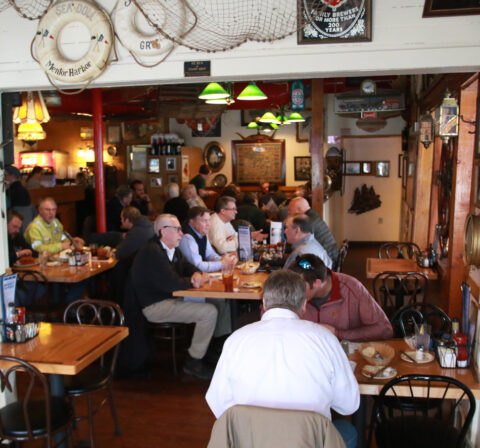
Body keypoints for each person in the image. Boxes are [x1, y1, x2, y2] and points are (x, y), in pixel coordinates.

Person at [206, 269, 359, 448]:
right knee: (347, 431)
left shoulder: (236, 340)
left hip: (251, 443)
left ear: (264, 303)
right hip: (308, 443)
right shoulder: (326, 339)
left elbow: (218, 404)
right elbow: (349, 405)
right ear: (303, 305)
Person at [129, 213, 217, 379]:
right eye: (177, 229)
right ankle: (193, 361)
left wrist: (196, 274)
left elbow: (187, 266)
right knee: (209, 312)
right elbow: (172, 283)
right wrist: (193, 282)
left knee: (214, 302)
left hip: (168, 299)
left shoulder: (171, 250)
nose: (181, 233)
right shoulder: (152, 252)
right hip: (154, 306)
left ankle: (209, 349)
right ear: (163, 231)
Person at [290, 253, 393, 341]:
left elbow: (384, 329)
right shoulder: (290, 292)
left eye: (300, 286)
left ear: (317, 283)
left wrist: (338, 334)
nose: (294, 291)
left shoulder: (352, 288)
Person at [179, 206, 235, 338]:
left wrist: (222, 258)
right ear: (192, 222)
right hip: (190, 286)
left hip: (201, 281)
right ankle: (213, 339)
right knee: (220, 300)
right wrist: (222, 264)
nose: (208, 224)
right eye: (204, 221)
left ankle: (221, 337)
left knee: (224, 299)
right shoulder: (187, 237)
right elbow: (198, 265)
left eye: (209, 220)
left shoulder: (201, 233)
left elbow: (210, 254)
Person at [288, 197, 339, 264]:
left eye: (290, 209)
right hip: (330, 254)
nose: (288, 212)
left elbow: (301, 243)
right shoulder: (312, 215)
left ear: (299, 209)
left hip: (328, 259)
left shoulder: (308, 221)